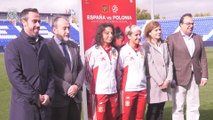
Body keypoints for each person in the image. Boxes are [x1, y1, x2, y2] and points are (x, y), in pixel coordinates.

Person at [4, 8, 54, 120]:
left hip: (45, 109)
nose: (38, 24)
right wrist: (35, 97)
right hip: (24, 110)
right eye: (34, 21)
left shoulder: (45, 44)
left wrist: (49, 94)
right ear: (24, 22)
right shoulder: (13, 47)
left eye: (39, 21)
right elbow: (15, 78)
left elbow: (50, 73)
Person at [167, 13, 208, 120]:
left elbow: (203, 58)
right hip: (178, 78)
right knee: (178, 107)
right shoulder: (172, 39)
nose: (191, 25)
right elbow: (169, 60)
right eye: (188, 23)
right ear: (180, 24)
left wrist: (204, 76)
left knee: (194, 106)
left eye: (192, 23)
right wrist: (171, 78)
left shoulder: (198, 38)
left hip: (195, 77)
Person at [47, 16, 84, 120]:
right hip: (58, 100)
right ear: (54, 30)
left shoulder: (74, 45)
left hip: (75, 98)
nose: (68, 31)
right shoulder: (47, 47)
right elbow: (49, 73)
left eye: (68, 28)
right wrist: (67, 87)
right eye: (64, 28)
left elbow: (81, 68)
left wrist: (77, 85)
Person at [85, 23, 119, 120]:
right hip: (99, 93)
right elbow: (87, 74)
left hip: (113, 91)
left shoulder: (114, 51)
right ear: (100, 34)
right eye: (107, 33)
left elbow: (116, 73)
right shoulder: (92, 52)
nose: (110, 35)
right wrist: (92, 89)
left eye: (112, 33)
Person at [142, 21, 173, 120]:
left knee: (160, 111)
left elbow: (170, 63)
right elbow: (150, 66)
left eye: (159, 29)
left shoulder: (164, 44)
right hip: (154, 84)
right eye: (156, 30)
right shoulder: (146, 46)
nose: (159, 32)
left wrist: (168, 79)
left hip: (165, 82)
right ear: (149, 32)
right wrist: (160, 82)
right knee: (153, 111)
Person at [117, 25, 147, 120]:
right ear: (129, 36)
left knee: (139, 117)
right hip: (129, 89)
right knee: (126, 116)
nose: (139, 37)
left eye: (140, 34)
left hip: (142, 88)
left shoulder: (143, 50)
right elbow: (118, 71)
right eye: (136, 35)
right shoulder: (123, 51)